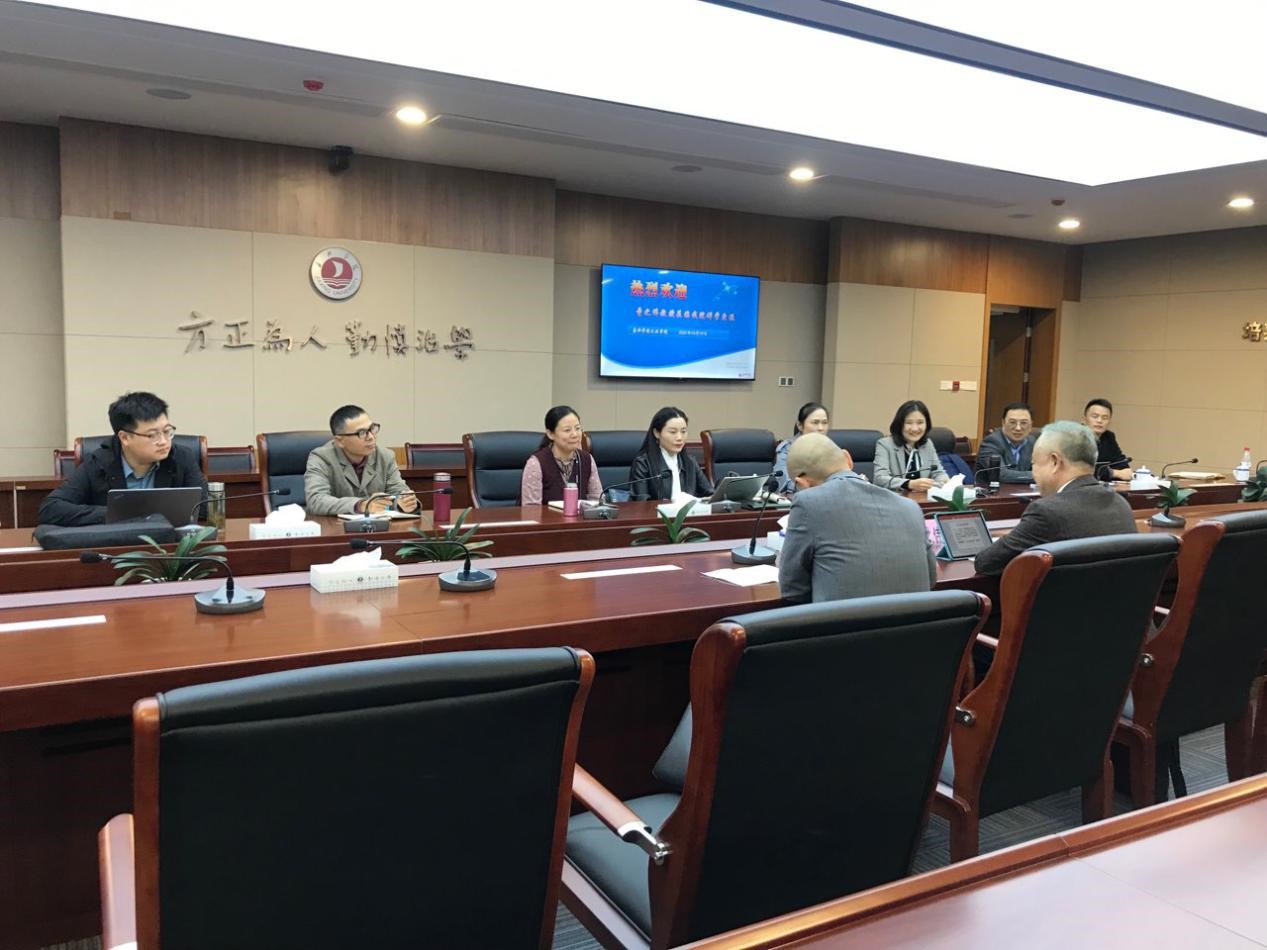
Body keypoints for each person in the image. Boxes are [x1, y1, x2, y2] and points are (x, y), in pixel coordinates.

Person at [777, 433, 936, 602]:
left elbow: (792, 589)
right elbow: (931, 579)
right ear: (848, 459)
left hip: (843, 619)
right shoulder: (911, 507)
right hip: (915, 619)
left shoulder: (807, 502)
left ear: (802, 483)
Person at [974, 420, 1137, 575]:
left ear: (1055, 462)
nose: (1034, 473)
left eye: (1034, 464)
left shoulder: (1047, 511)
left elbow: (985, 563)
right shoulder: (1120, 504)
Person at [38, 391, 207, 527]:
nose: (163, 441)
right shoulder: (99, 462)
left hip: (169, 547)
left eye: (167, 431)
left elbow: (208, 507)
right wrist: (117, 514)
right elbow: (50, 509)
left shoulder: (181, 458)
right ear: (125, 438)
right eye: (152, 435)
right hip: (116, 549)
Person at [303, 405, 417, 516]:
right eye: (362, 433)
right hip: (335, 526)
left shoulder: (385, 457)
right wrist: (360, 505)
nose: (371, 437)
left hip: (379, 525)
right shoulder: (321, 458)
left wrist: (405, 503)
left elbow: (399, 492)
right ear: (340, 441)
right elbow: (315, 501)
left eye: (372, 429)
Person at [520, 405, 603, 505]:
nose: (575, 434)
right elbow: (531, 509)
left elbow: (598, 502)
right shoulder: (536, 464)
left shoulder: (587, 460)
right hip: (547, 516)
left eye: (577, 428)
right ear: (550, 434)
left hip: (580, 515)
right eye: (567, 430)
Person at [628, 406, 713, 501]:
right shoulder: (643, 463)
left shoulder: (690, 461)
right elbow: (641, 503)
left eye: (683, 431)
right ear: (657, 433)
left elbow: (710, 494)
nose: (679, 437)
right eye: (673, 432)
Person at [873, 399, 950, 492]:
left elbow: (938, 472)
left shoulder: (927, 444)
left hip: (922, 498)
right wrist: (909, 484)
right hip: (895, 498)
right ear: (900, 424)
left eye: (920, 422)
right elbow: (879, 479)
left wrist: (945, 481)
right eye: (909, 423)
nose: (914, 428)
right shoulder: (885, 445)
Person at [976, 401, 1039, 485]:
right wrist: (1039, 475)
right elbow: (1001, 474)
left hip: (1025, 491)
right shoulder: (991, 442)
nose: (1018, 428)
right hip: (993, 492)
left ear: (1031, 425)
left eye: (1024, 423)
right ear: (1003, 423)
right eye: (1012, 422)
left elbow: (1044, 469)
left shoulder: (1033, 442)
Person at [774, 401, 830, 493]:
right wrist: (803, 485)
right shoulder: (787, 448)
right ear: (800, 425)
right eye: (815, 422)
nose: (821, 428)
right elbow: (783, 482)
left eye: (824, 423)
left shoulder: (831, 449)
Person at [1084, 397, 1133, 481]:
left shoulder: (1109, 437)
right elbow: (1082, 471)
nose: (1099, 421)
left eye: (1105, 418)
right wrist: (1114, 473)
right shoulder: (1075, 437)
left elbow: (1121, 464)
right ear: (1085, 419)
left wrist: (1126, 472)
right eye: (1095, 416)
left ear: (1109, 421)